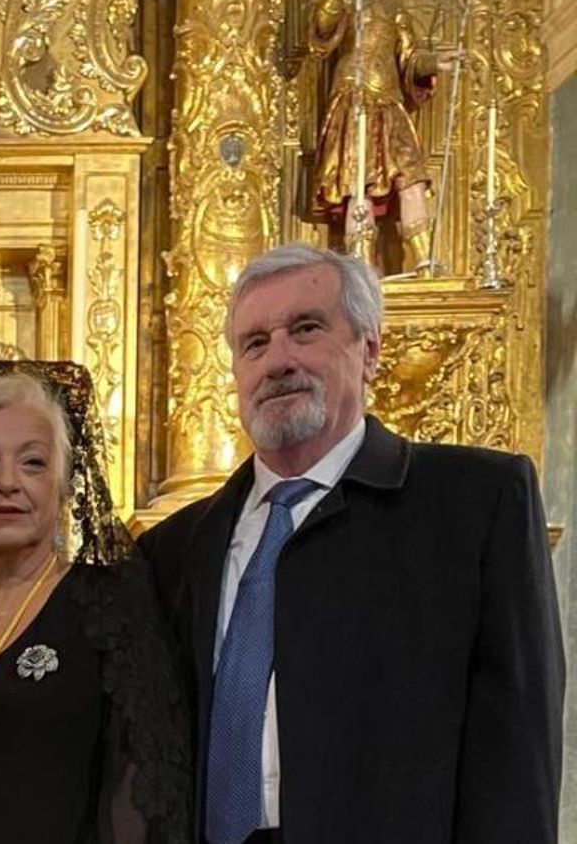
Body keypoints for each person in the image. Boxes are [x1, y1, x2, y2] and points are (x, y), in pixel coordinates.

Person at [140, 243, 562, 844]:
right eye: (254, 343)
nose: (278, 359)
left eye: (306, 329)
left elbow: (517, 748)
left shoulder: (476, 503)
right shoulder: (174, 550)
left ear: (369, 350)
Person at [0, 360, 191, 843]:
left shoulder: (110, 613)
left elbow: (146, 793)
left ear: (66, 487)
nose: (6, 482)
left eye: (33, 462)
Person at [308, 0, 461, 274]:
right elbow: (322, 26)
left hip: (390, 106)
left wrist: (435, 62)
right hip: (353, 102)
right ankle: (361, 265)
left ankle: (424, 259)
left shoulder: (394, 8)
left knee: (412, 178)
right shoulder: (345, 0)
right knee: (356, 181)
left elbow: (409, 57)